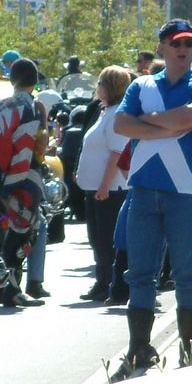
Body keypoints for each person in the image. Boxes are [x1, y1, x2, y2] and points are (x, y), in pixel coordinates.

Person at [112, 18, 192, 379]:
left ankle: (189, 350)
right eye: (176, 43)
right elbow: (121, 125)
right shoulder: (141, 85)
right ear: (162, 47)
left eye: (189, 43)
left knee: (187, 273)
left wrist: (147, 122)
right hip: (144, 190)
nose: (183, 49)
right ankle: (138, 348)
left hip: (186, 192)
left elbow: (189, 117)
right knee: (140, 273)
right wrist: (168, 125)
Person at [0, 58, 49, 306]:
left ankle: (2, 288)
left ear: (12, 80)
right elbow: (24, 148)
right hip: (22, 179)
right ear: (35, 80)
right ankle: (11, 290)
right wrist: (12, 185)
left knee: (9, 235)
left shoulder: (1, 105)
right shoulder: (30, 107)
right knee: (21, 235)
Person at [76, 65, 131, 302]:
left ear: (109, 87)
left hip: (109, 190)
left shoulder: (118, 114)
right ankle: (102, 281)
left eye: (99, 83)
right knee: (97, 239)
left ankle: (110, 283)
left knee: (106, 239)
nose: (96, 87)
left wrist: (104, 186)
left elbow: (117, 153)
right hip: (95, 188)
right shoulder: (104, 112)